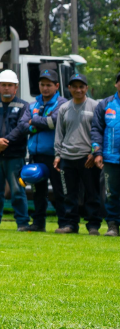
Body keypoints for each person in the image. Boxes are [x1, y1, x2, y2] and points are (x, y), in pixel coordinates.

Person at [0, 70, 32, 230]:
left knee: (17, 192)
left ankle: (22, 223)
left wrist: (3, 142)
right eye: (4, 85)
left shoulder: (23, 106)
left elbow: (22, 127)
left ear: (16, 87)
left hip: (15, 156)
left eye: (10, 85)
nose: (7, 88)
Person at [53, 73, 103, 234]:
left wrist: (94, 153)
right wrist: (57, 155)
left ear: (86, 88)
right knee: (69, 194)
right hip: (67, 157)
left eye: (81, 87)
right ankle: (70, 224)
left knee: (92, 193)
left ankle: (93, 225)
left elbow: (99, 132)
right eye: (74, 86)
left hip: (87, 158)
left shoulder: (95, 107)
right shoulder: (64, 108)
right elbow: (59, 133)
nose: (78, 90)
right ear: (69, 88)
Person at [26, 69, 66, 231]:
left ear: (56, 86)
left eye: (49, 85)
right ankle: (38, 224)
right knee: (38, 191)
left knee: (59, 191)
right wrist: (37, 124)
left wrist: (33, 122)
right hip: (36, 155)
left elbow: (55, 121)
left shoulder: (63, 104)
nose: (45, 88)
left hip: (56, 155)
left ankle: (65, 223)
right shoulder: (32, 104)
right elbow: (22, 125)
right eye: (42, 85)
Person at [90, 71, 120, 236]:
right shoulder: (105, 105)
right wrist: (97, 152)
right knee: (111, 194)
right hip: (110, 159)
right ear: (116, 84)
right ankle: (112, 226)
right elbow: (96, 130)